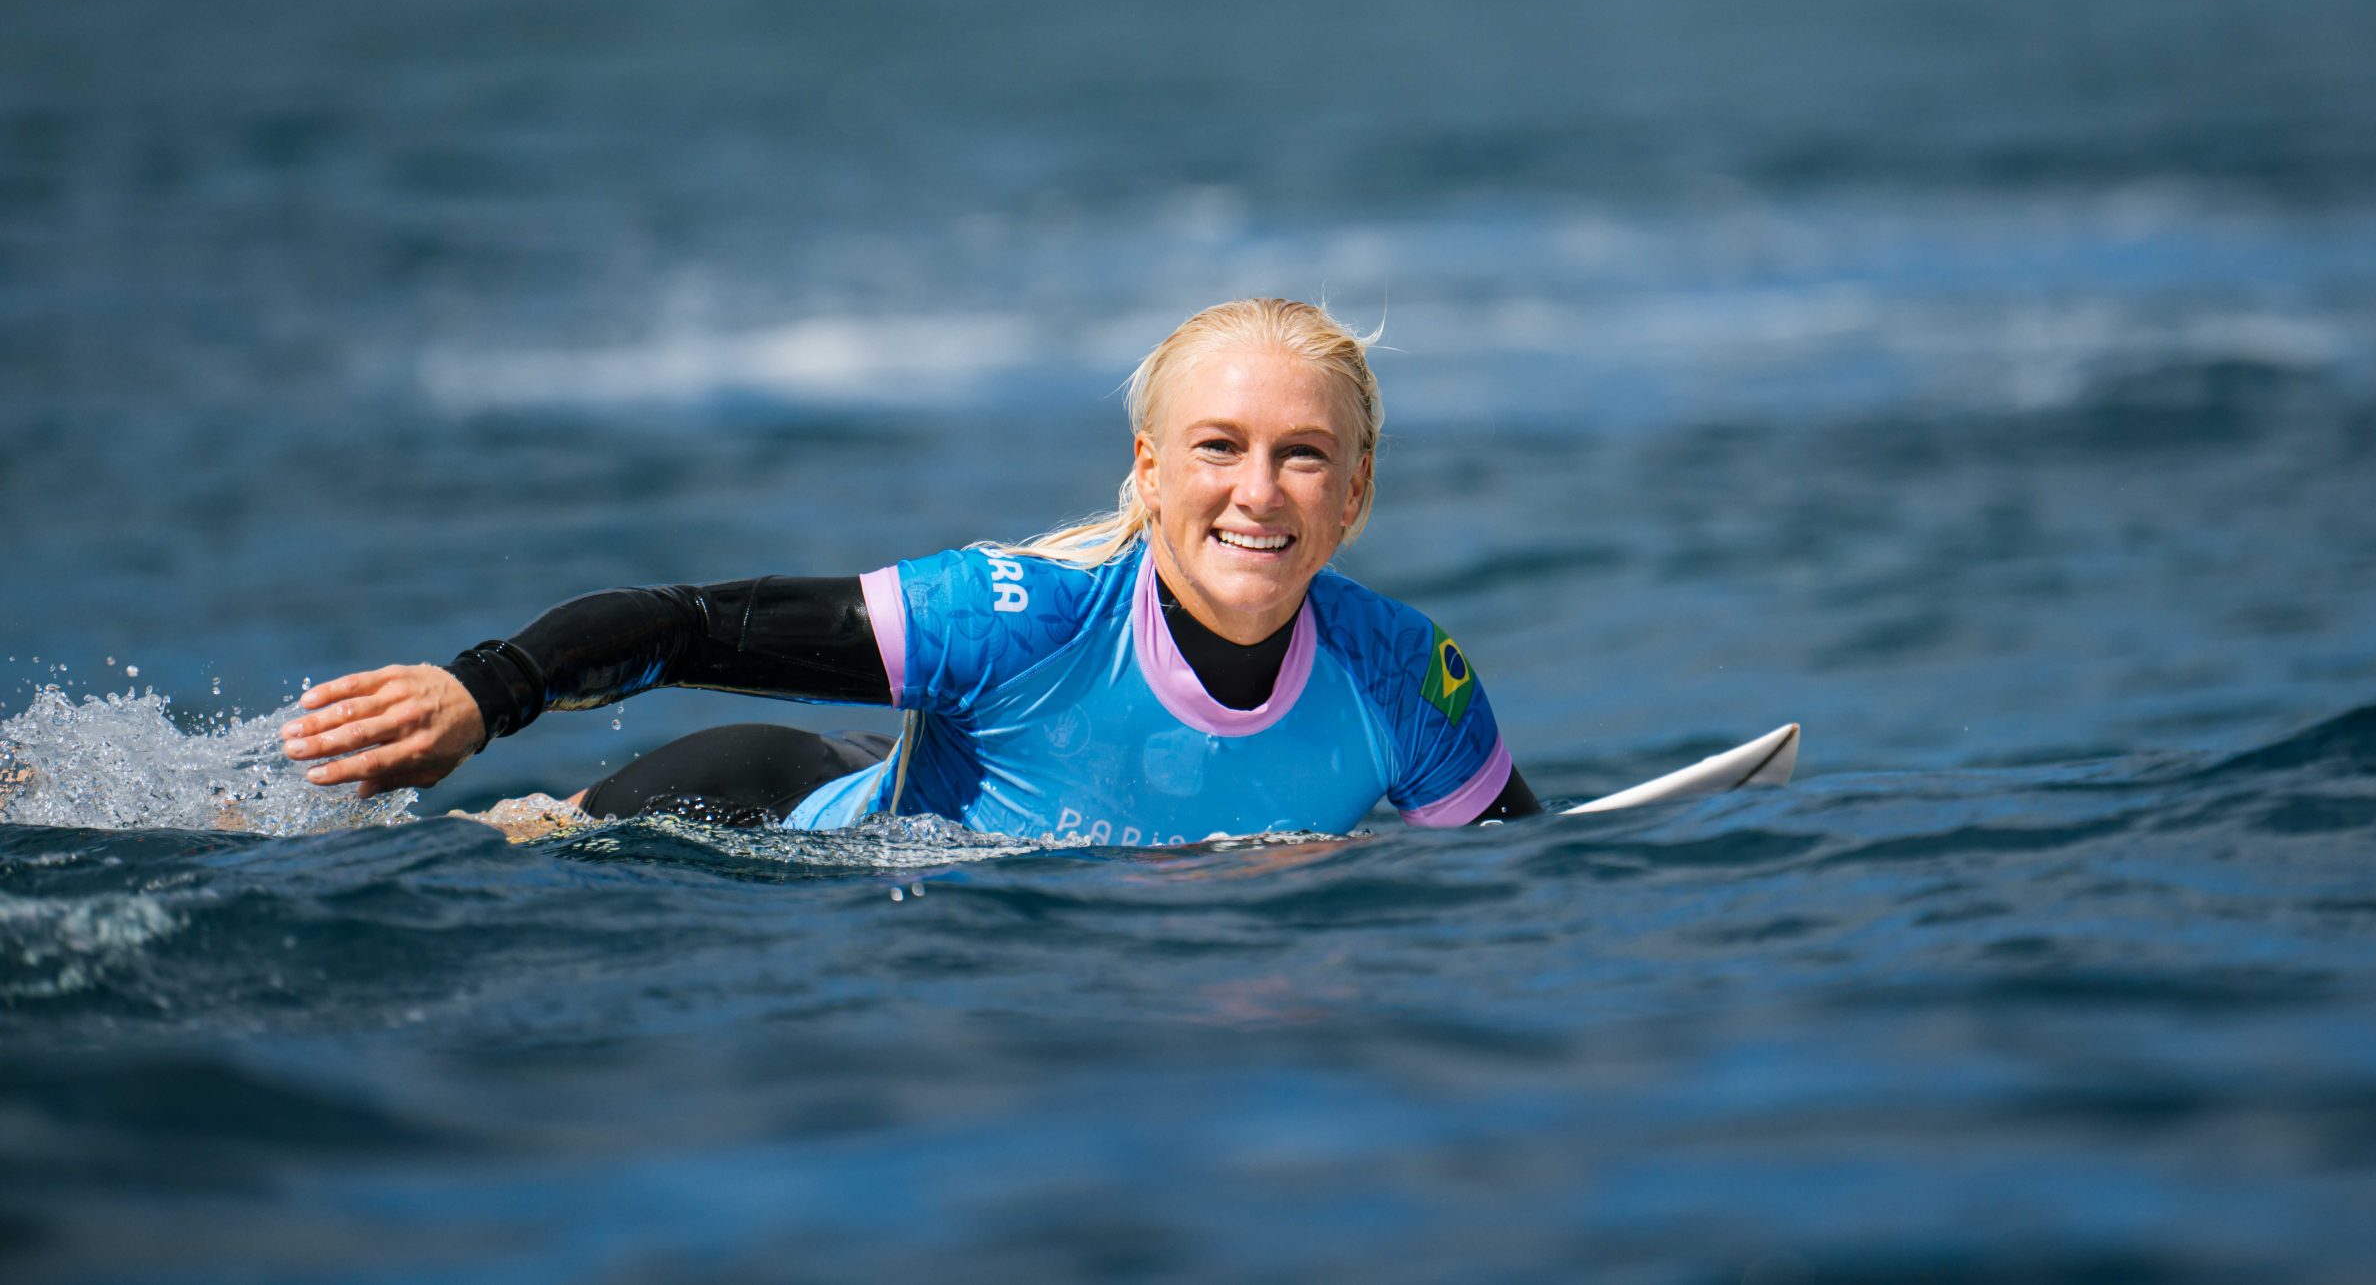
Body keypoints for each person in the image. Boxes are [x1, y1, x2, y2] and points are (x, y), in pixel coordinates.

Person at [283, 298, 1540, 842]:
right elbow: (689, 626)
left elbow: (1516, 885)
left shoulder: (1402, 682)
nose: (1258, 492)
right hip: (756, 827)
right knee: (477, 853)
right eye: (1220, 448)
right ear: (1151, 470)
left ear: (1356, 493)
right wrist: (483, 692)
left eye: (1304, 457)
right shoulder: (1019, 620)